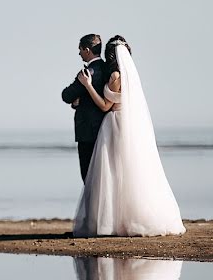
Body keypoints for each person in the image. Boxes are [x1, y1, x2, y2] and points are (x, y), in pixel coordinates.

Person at [72, 35, 186, 237]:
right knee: (128, 171)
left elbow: (105, 106)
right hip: (128, 123)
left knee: (112, 174)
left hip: (115, 123)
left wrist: (88, 86)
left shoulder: (115, 77)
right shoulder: (130, 76)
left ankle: (112, 221)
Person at [61, 34, 108, 182]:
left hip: (87, 132)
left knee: (88, 177)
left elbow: (66, 95)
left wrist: (77, 100)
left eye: (80, 49)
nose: (79, 53)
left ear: (87, 50)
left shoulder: (88, 74)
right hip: (107, 130)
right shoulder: (108, 70)